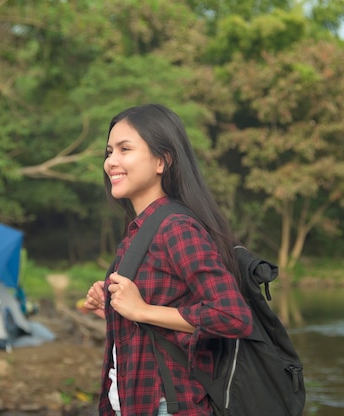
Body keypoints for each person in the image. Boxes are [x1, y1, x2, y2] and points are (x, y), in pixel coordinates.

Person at [84, 103, 253, 416]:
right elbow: (155, 324)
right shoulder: (138, 232)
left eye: (125, 149)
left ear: (162, 160)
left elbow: (232, 316)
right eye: (109, 151)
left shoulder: (176, 227)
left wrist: (142, 309)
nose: (111, 162)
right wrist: (111, 310)